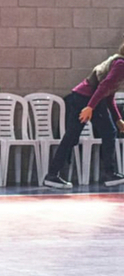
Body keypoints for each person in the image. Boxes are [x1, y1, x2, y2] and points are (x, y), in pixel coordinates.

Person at [43, 44, 124, 188]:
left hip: (81, 96)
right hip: (86, 98)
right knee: (108, 131)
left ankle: (52, 175)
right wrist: (90, 107)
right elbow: (103, 87)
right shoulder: (120, 64)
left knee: (72, 136)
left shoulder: (118, 62)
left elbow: (108, 94)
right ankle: (109, 173)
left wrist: (118, 119)